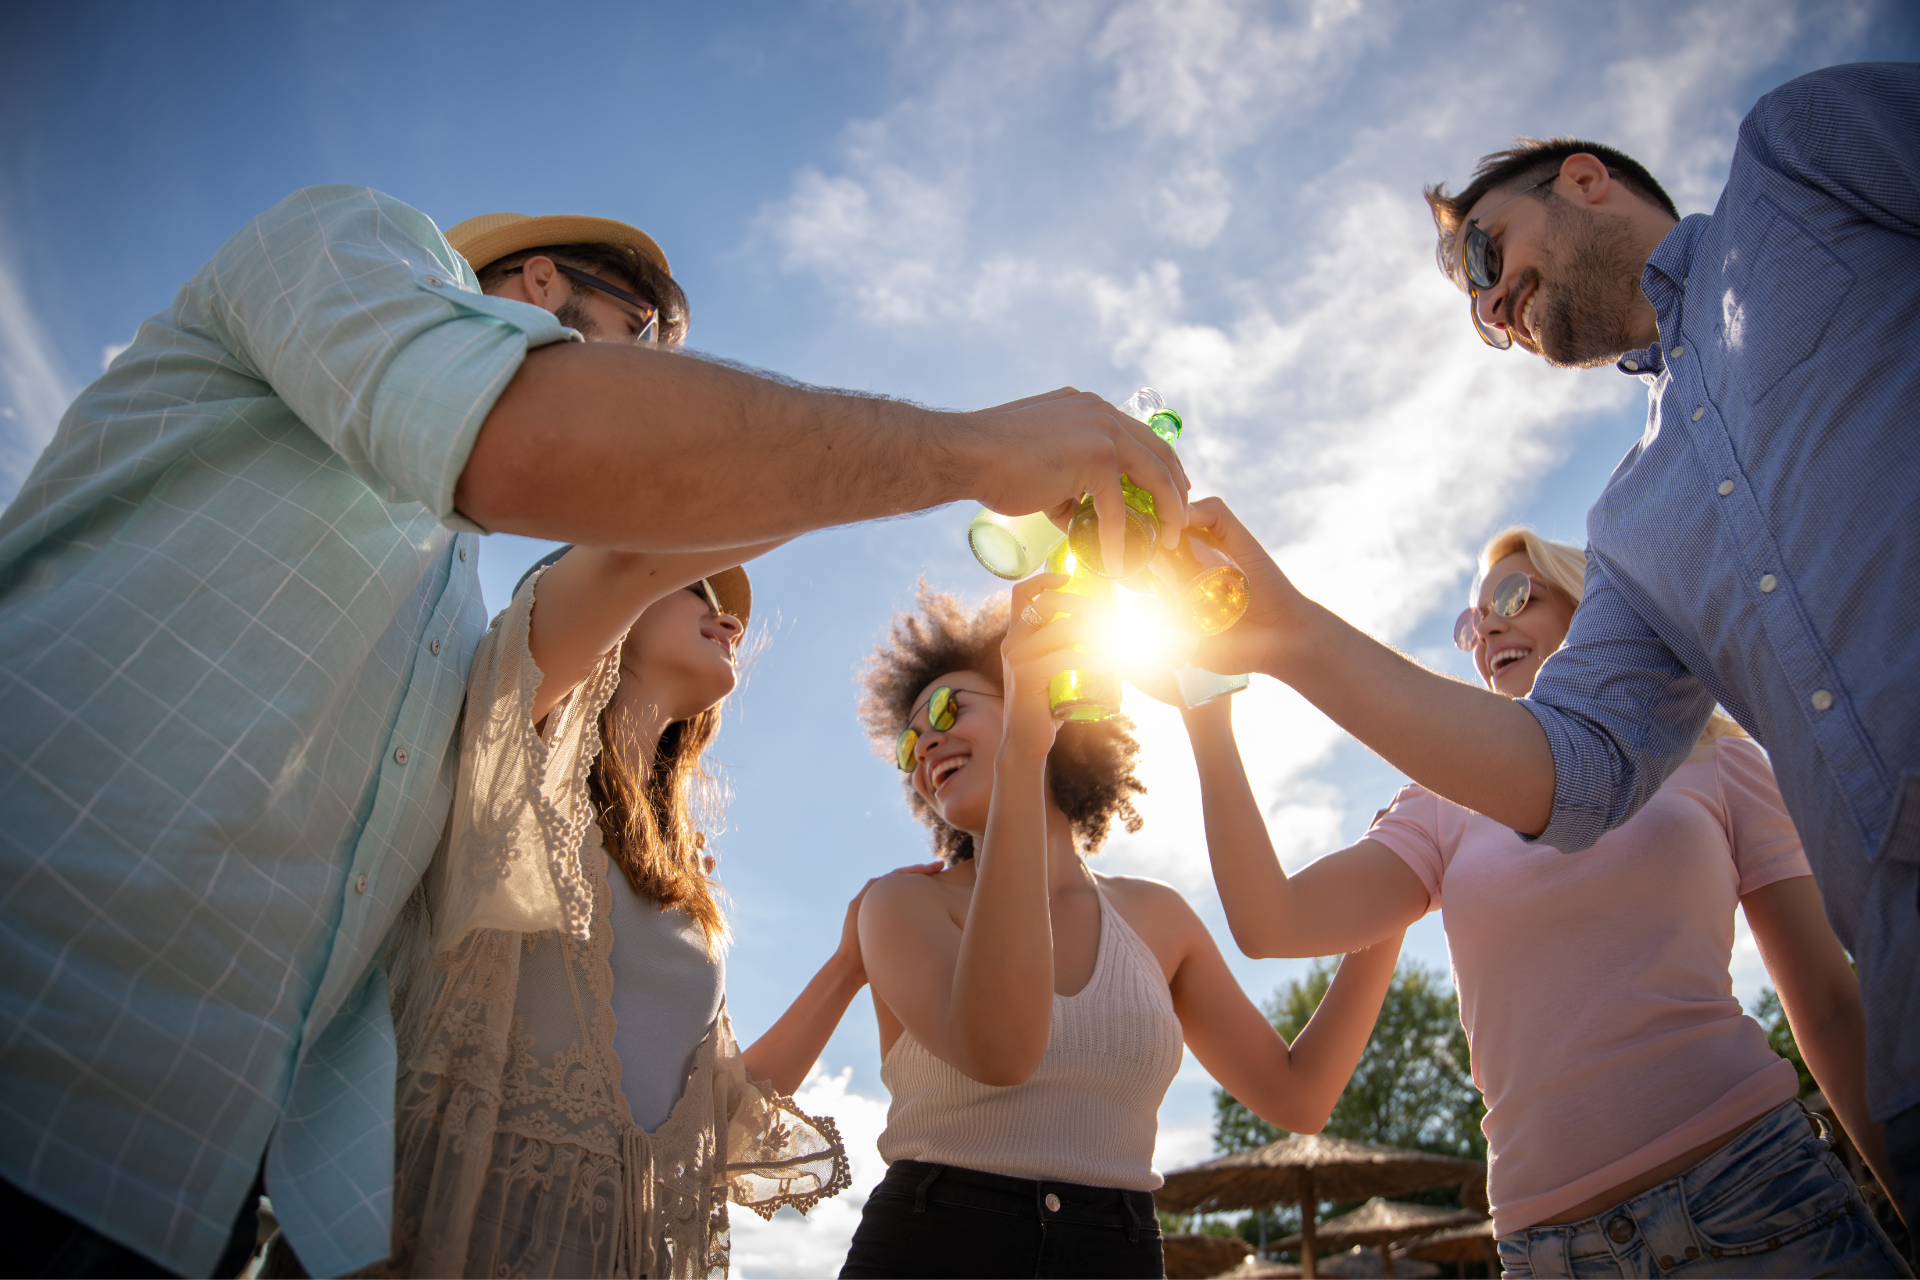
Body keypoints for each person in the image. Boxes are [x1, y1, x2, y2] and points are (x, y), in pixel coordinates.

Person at [0, 189, 1189, 1279]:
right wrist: (973, 452)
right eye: (640, 349)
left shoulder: (447, 626)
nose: (722, 607)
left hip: (191, 1177)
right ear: (536, 286)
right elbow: (583, 473)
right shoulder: (351, 243)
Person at [1179, 61, 1920, 1233]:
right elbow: (1569, 769)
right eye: (1478, 311)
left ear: (1586, 179)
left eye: (1486, 256)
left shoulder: (1796, 164)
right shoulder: (1636, 525)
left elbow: (1813, 997)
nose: (1490, 309)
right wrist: (1281, 639)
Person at [1187, 525, 1909, 1278]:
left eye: (1511, 596)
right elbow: (1270, 922)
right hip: (1551, 1251)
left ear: (1590, 605)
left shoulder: (1712, 750)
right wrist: (1206, 714)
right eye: (1472, 621)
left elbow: (1827, 1007)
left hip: (1757, 1196)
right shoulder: (1440, 800)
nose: (1487, 626)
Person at [368, 544, 921, 1278]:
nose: (727, 619)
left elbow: (718, 1112)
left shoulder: (687, 893)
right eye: (693, 584)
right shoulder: (512, 752)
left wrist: (849, 965)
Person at [837, 581, 1407, 1279]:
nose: (925, 741)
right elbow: (1000, 1053)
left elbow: (1299, 1095)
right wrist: (1019, 753)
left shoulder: (1158, 917)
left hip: (1118, 1249)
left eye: (951, 709)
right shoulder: (897, 907)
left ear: (1044, 694)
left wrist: (1401, 888)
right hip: (934, 1246)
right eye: (908, 739)